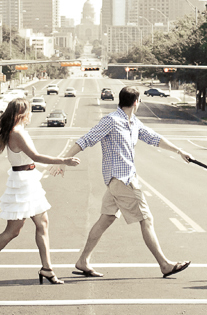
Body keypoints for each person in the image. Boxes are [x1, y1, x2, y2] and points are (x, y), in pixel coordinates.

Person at [51, 86, 193, 278]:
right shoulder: (111, 121)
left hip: (119, 180)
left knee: (106, 218)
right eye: (140, 100)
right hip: (123, 180)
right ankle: (165, 264)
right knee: (146, 219)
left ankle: (83, 261)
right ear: (135, 102)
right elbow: (86, 139)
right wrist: (63, 161)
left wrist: (179, 151)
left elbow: (154, 138)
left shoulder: (133, 122)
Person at [0, 98, 80, 286]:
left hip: (28, 179)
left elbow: (30, 160)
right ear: (22, 113)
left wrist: (54, 165)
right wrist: (63, 160)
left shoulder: (20, 131)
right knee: (13, 231)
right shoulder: (16, 133)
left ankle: (47, 268)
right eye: (29, 110)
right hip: (23, 183)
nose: (31, 113)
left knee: (42, 223)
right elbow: (35, 156)